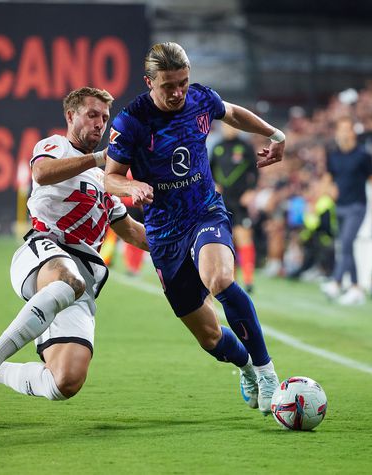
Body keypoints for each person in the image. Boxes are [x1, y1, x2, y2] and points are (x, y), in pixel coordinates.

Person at [0, 87, 149, 400]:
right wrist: (100, 157)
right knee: (68, 280)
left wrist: (183, 241)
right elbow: (41, 173)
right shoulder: (55, 146)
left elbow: (132, 232)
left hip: (81, 282)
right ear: (71, 116)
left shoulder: (105, 181)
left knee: (65, 382)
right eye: (92, 115)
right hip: (43, 251)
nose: (100, 124)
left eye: (104, 117)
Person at [104, 42, 284, 415]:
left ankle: (268, 373)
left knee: (219, 279)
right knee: (209, 336)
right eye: (168, 85)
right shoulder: (131, 121)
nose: (177, 93)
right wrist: (130, 186)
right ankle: (246, 368)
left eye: (183, 83)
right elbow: (110, 178)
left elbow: (232, 113)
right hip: (164, 233)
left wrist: (275, 135)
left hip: (204, 212)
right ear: (148, 82)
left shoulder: (201, 99)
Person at [320, 117, 372, 305]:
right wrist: (327, 191)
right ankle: (355, 287)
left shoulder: (363, 155)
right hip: (340, 206)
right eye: (340, 129)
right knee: (346, 246)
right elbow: (328, 178)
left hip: (357, 205)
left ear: (353, 133)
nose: (343, 133)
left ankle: (337, 282)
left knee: (346, 242)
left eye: (346, 129)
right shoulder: (333, 155)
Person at [210, 123, 259, 292]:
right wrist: (213, 184)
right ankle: (232, 279)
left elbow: (255, 170)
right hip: (223, 201)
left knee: (244, 237)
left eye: (232, 125)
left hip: (241, 200)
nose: (229, 128)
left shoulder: (245, 147)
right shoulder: (217, 147)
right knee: (227, 241)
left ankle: (249, 280)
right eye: (226, 125)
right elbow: (208, 170)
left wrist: (251, 191)